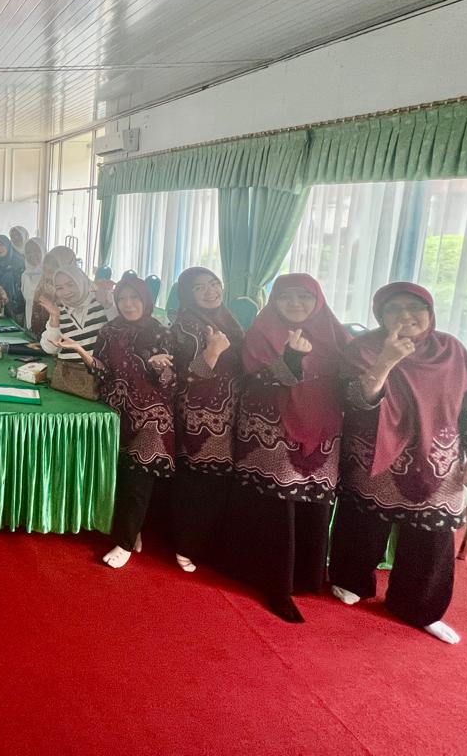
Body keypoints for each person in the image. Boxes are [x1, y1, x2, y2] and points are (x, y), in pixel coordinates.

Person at [329, 282, 467, 645]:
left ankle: (420, 607)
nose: (406, 315)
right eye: (394, 309)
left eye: (415, 308)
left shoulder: (451, 350)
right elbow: (354, 401)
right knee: (363, 521)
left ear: (430, 313)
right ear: (380, 316)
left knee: (431, 535)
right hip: (375, 453)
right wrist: (386, 360)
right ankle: (352, 580)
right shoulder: (362, 348)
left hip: (438, 455)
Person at [228, 274, 348, 621]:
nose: (295, 303)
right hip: (272, 428)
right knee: (276, 506)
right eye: (286, 297)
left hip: (323, 430)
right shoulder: (263, 330)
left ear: (318, 300)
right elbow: (259, 376)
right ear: (274, 300)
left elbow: (353, 378)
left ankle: (307, 576)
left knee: (313, 502)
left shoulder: (336, 333)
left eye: (303, 297)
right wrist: (293, 357)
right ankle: (274, 581)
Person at [93, 277, 176, 570]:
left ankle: (125, 542)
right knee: (119, 476)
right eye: (123, 299)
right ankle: (134, 527)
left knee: (140, 476)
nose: (128, 305)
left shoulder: (161, 332)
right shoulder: (108, 331)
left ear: (146, 299)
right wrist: (84, 358)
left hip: (153, 415)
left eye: (135, 298)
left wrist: (160, 369)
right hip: (116, 411)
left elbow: (173, 381)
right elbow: (101, 369)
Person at [169, 266, 244, 573]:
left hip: (230, 412)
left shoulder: (228, 319)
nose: (210, 291)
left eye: (214, 284)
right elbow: (183, 377)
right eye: (200, 288)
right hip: (200, 414)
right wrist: (212, 352)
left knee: (219, 482)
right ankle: (187, 545)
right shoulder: (184, 325)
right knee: (202, 482)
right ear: (188, 294)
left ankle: (209, 545)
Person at [40, 264, 110, 362]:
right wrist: (55, 318)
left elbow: (121, 334)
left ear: (81, 282)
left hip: (101, 370)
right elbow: (50, 349)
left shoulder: (101, 301)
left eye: (70, 285)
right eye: (59, 288)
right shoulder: (58, 311)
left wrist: (108, 306)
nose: (66, 292)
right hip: (68, 370)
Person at [32, 247, 79, 335]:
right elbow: (36, 312)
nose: (48, 268)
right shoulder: (43, 282)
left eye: (54, 265)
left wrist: (54, 299)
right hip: (42, 336)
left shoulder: (77, 290)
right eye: (47, 264)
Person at [0, 235, 25, 321]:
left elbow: (21, 289)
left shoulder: (19, 263)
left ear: (7, 245)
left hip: (15, 310)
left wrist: (7, 297)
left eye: (1, 244)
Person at [20, 238, 46, 329]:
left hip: (46, 323)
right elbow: (26, 300)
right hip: (29, 321)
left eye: (37, 251)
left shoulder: (48, 275)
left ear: (43, 251)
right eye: (29, 252)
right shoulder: (25, 275)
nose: (32, 255)